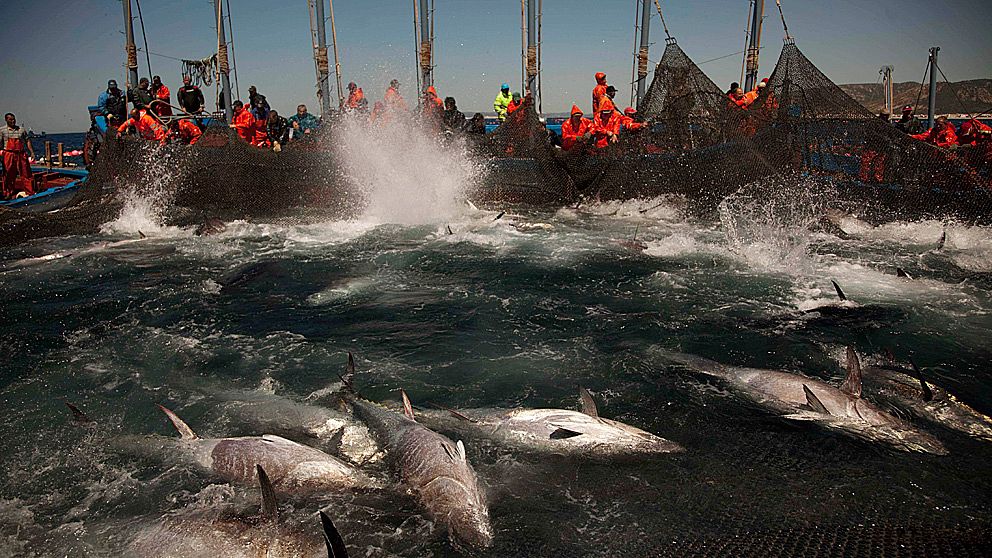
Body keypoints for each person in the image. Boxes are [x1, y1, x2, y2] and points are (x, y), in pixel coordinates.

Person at [1, 113, 36, 199]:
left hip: (21, 153)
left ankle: (30, 192)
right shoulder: (2, 130)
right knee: (8, 174)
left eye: (14, 119)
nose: (13, 121)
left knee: (26, 173)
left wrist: (32, 152)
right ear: (6, 120)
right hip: (9, 154)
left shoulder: (21, 130)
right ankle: (8, 193)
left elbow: (27, 141)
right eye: (10, 119)